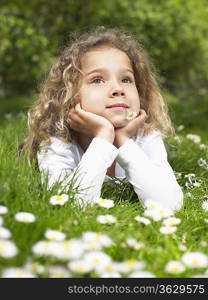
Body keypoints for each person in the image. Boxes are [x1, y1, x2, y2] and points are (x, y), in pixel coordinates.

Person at [20, 26, 183, 211]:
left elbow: (169, 205)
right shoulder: (57, 142)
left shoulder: (144, 135)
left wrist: (123, 142)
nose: (118, 89)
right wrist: (103, 137)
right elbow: (71, 207)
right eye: (98, 80)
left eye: (126, 79)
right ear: (69, 95)